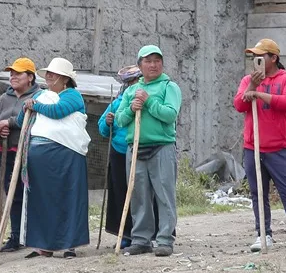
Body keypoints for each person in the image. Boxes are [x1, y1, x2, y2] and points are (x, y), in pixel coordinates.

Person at [235, 38, 286, 251]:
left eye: (260, 56)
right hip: (254, 147)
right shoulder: (247, 80)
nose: (255, 60)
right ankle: (263, 234)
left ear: (273, 58)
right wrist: (252, 85)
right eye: (253, 57)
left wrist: (259, 93)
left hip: (279, 148)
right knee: (257, 193)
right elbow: (239, 105)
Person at [18, 58, 90, 259]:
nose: (48, 76)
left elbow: (58, 112)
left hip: (67, 155)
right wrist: (26, 108)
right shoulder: (41, 96)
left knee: (69, 197)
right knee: (44, 199)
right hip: (41, 158)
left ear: (65, 79)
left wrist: (34, 106)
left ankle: (70, 245)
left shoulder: (73, 96)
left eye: (53, 74)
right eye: (47, 73)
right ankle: (45, 244)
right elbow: (21, 118)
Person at [115, 45, 182, 257]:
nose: (153, 65)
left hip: (161, 147)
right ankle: (141, 239)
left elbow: (170, 115)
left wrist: (149, 101)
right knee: (138, 196)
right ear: (139, 65)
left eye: (157, 60)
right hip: (135, 148)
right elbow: (119, 119)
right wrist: (131, 109)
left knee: (164, 195)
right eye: (148, 61)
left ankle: (164, 239)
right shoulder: (131, 91)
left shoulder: (169, 87)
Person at [0, 58, 42, 253]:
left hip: (29, 151)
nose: (13, 77)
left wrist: (10, 123)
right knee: (12, 194)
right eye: (11, 73)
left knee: (31, 192)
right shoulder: (4, 98)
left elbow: (33, 119)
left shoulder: (39, 96)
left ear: (30, 77)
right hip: (6, 151)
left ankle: (33, 234)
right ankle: (15, 235)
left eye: (18, 73)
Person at [98, 66, 142, 249]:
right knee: (121, 194)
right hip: (119, 153)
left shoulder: (142, 99)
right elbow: (102, 129)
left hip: (140, 152)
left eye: (135, 81)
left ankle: (145, 233)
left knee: (141, 194)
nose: (131, 85)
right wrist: (107, 123)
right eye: (128, 82)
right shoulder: (117, 103)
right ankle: (125, 233)